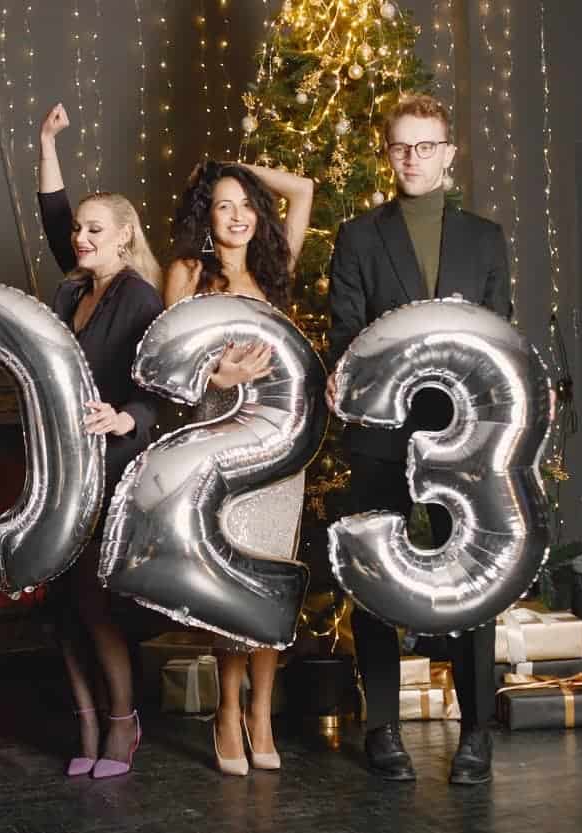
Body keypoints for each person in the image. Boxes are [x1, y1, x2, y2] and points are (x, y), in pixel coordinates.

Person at [325, 93, 510, 785]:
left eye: (426, 145)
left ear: (448, 154)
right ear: (387, 151)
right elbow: (347, 340)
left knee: (474, 582)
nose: (413, 157)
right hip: (381, 437)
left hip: (466, 442)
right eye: (402, 145)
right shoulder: (359, 237)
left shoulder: (485, 239)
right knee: (378, 578)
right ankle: (382, 728)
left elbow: (499, 342)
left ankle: (475, 732)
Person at [164, 159, 313, 776]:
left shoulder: (274, 275)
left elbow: (302, 189)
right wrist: (220, 376)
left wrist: (238, 170)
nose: (237, 215)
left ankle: (262, 715)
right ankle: (228, 711)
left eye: (246, 204)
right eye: (223, 204)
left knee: (271, 578)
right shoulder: (187, 273)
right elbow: (168, 365)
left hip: (279, 450)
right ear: (207, 215)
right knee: (232, 584)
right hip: (217, 439)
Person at [37, 103, 163, 779]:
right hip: (60, 468)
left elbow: (163, 385)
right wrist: (47, 143)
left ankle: (122, 720)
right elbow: (55, 218)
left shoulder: (140, 296)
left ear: (123, 238)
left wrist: (129, 417)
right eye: (80, 229)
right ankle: (86, 721)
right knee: (60, 607)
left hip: (109, 468)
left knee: (93, 600)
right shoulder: (70, 292)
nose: (81, 237)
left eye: (95, 229)